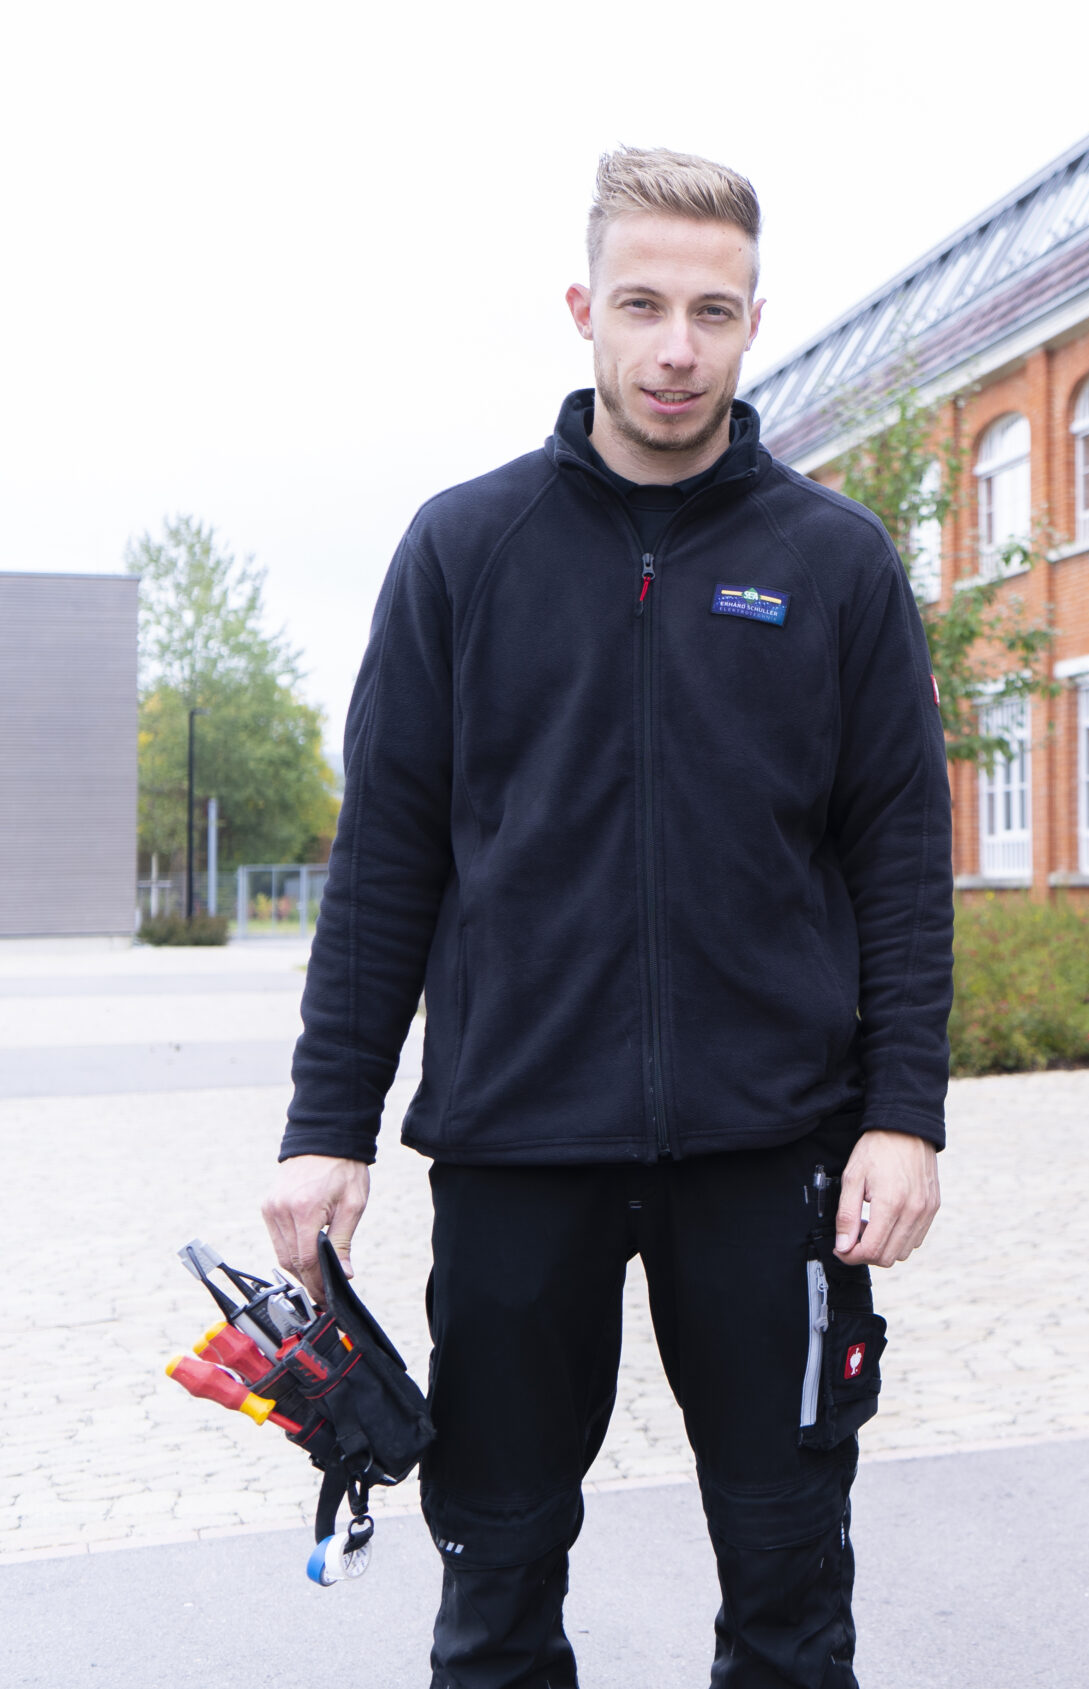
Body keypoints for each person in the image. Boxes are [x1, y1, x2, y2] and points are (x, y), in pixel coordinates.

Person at [261, 147, 953, 1689]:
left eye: (713, 311)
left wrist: (904, 1114)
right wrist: (327, 1128)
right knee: (496, 1588)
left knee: (790, 1589)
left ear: (754, 319)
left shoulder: (836, 564)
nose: (676, 347)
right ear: (583, 309)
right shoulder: (465, 550)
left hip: (773, 1156)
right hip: (518, 1150)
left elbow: (902, 863)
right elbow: (384, 863)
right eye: (642, 305)